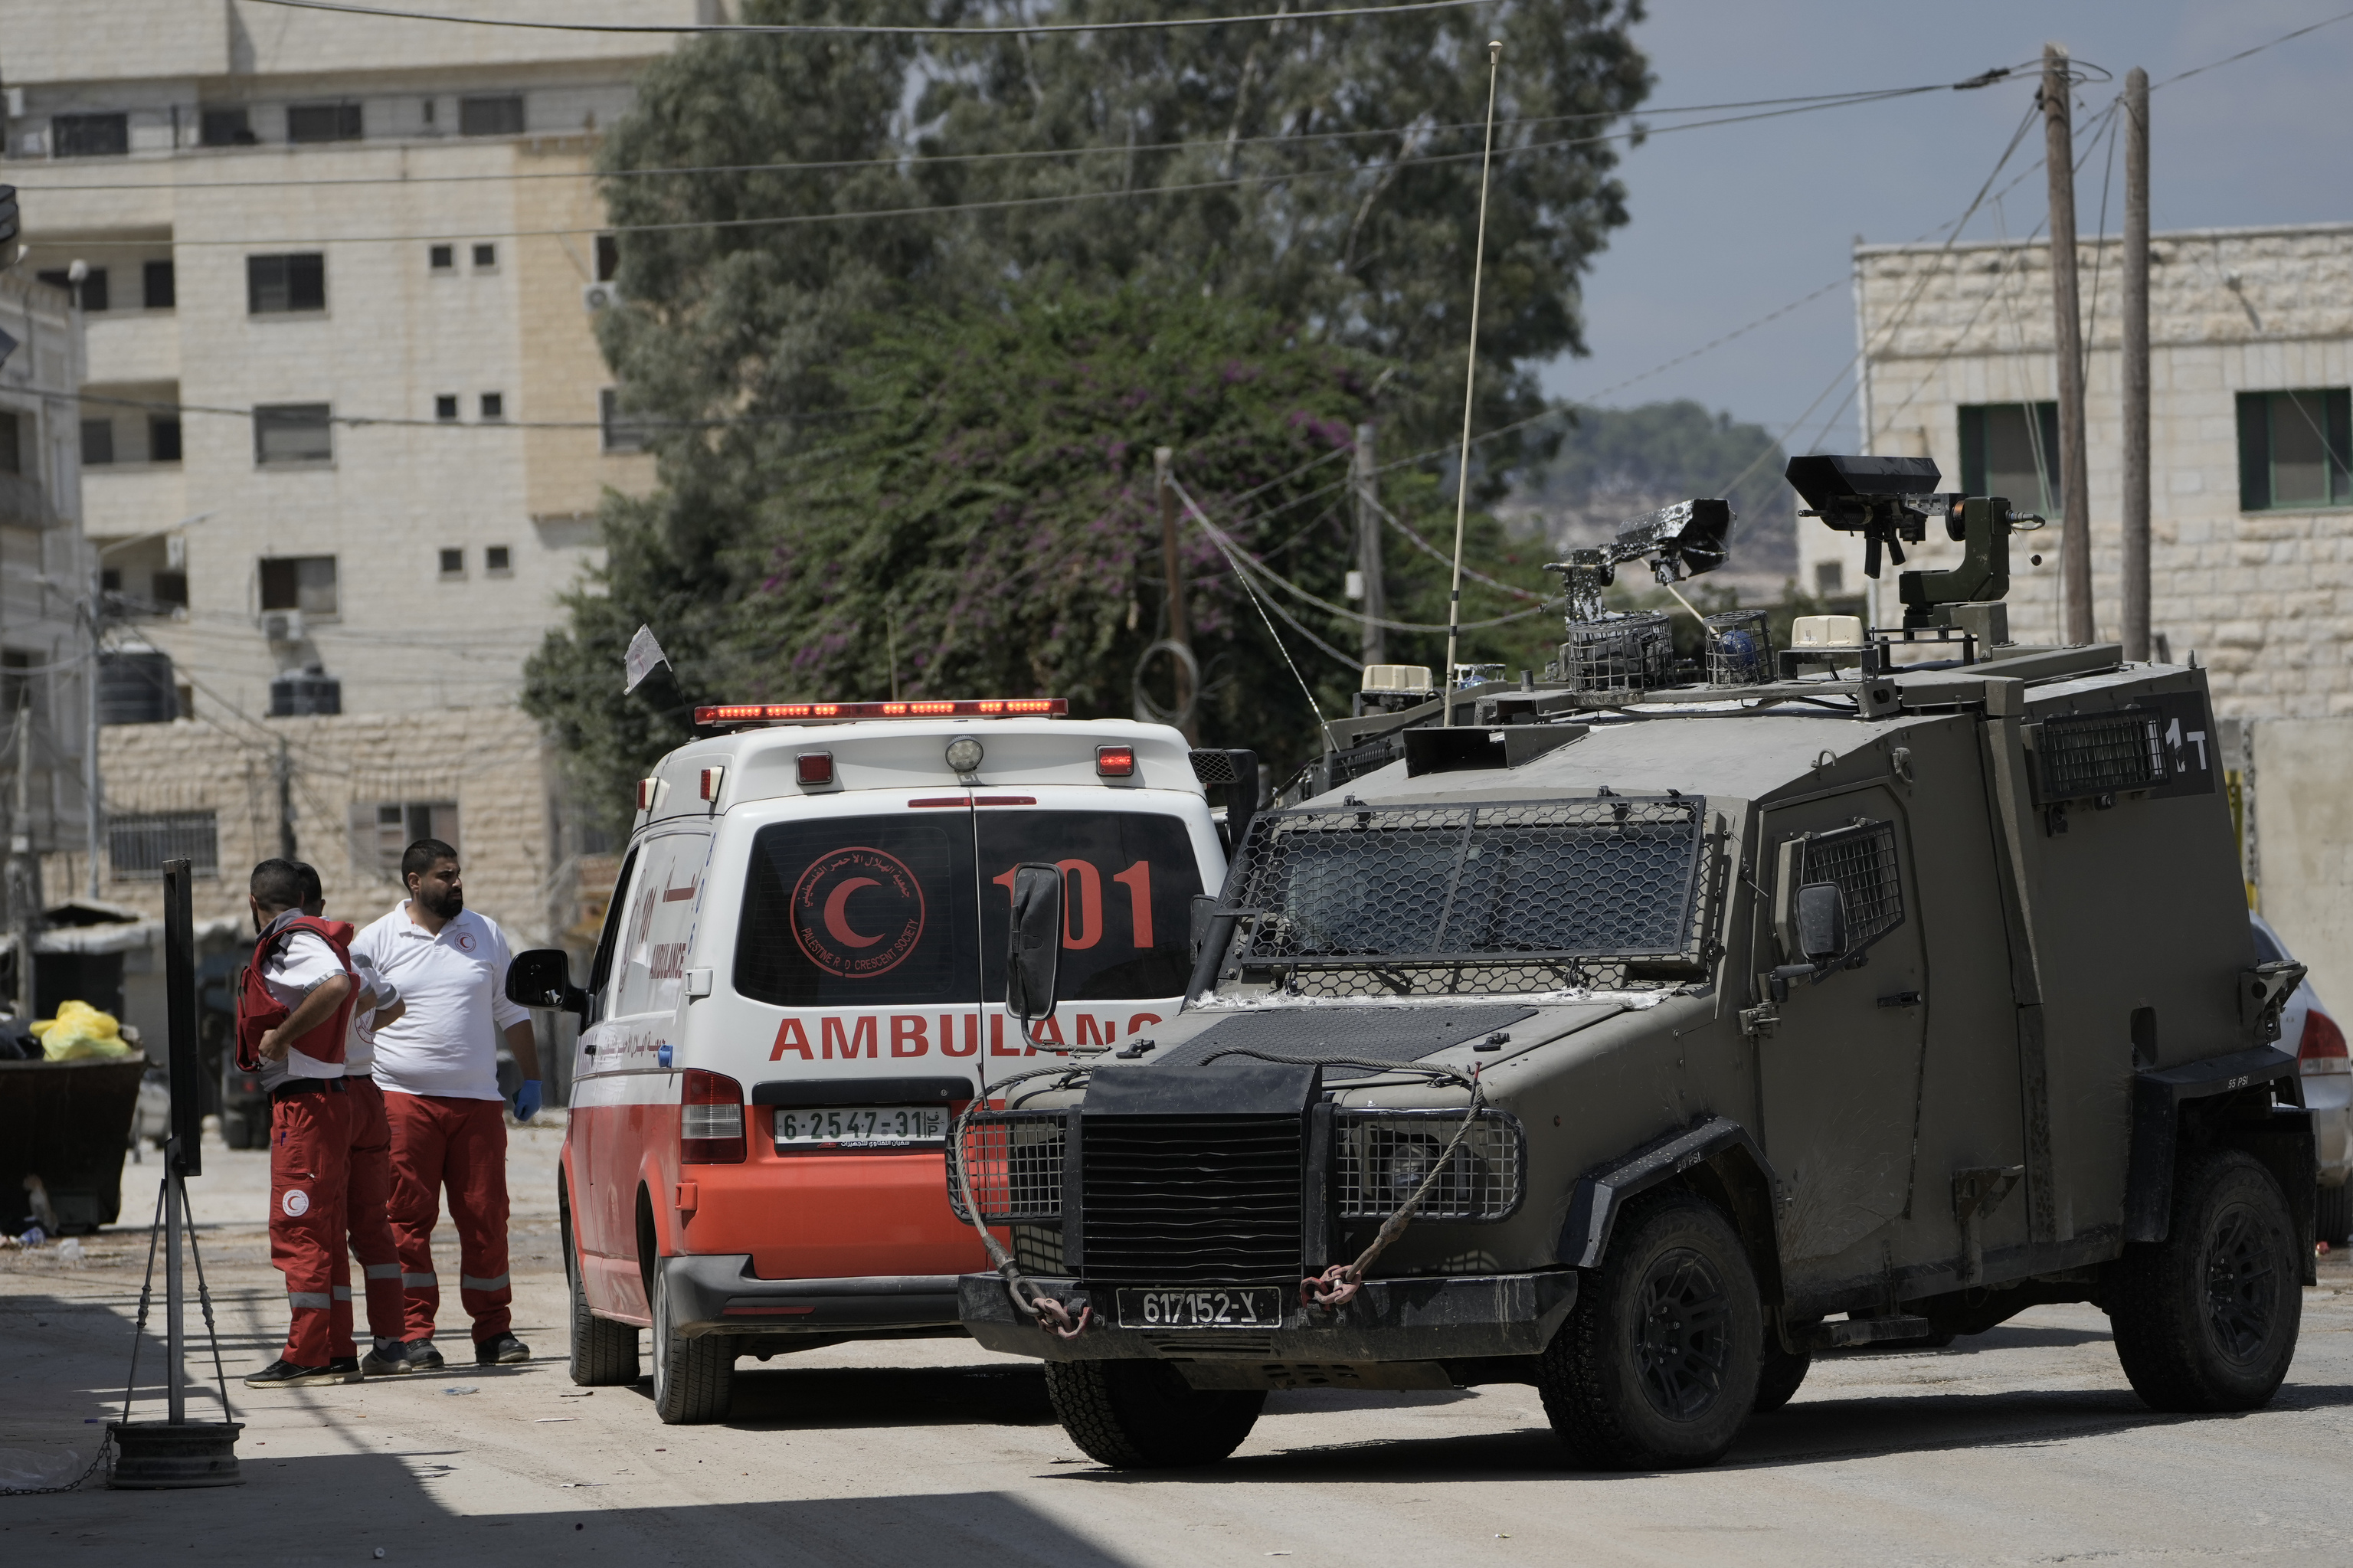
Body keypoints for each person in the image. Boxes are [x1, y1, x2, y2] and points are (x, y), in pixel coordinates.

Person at [351, 838, 541, 1373]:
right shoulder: (377, 939)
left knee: (486, 1217)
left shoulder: (484, 932)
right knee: (405, 1220)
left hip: (478, 1103)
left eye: (458, 874)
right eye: (444, 875)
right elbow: (354, 1014)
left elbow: (512, 1009)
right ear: (414, 881)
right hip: (401, 1100)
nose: (456, 884)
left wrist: (535, 1078)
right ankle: (414, 1335)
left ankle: (494, 1330)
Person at [236, 858, 362, 1388]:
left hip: (306, 1107)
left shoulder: (290, 939)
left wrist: (282, 1035)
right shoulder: (303, 936)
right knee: (325, 1230)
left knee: (299, 1227)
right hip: (321, 1101)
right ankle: (333, 1349)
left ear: (253, 903)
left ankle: (306, 1351)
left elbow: (336, 985)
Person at [293, 863, 410, 1377]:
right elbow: (394, 1003)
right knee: (374, 1226)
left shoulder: (301, 953)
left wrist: (335, 1032)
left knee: (326, 1225)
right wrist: (361, 1026)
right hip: (368, 1091)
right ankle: (391, 1342)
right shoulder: (353, 951)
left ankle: (338, 1348)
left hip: (331, 1092)